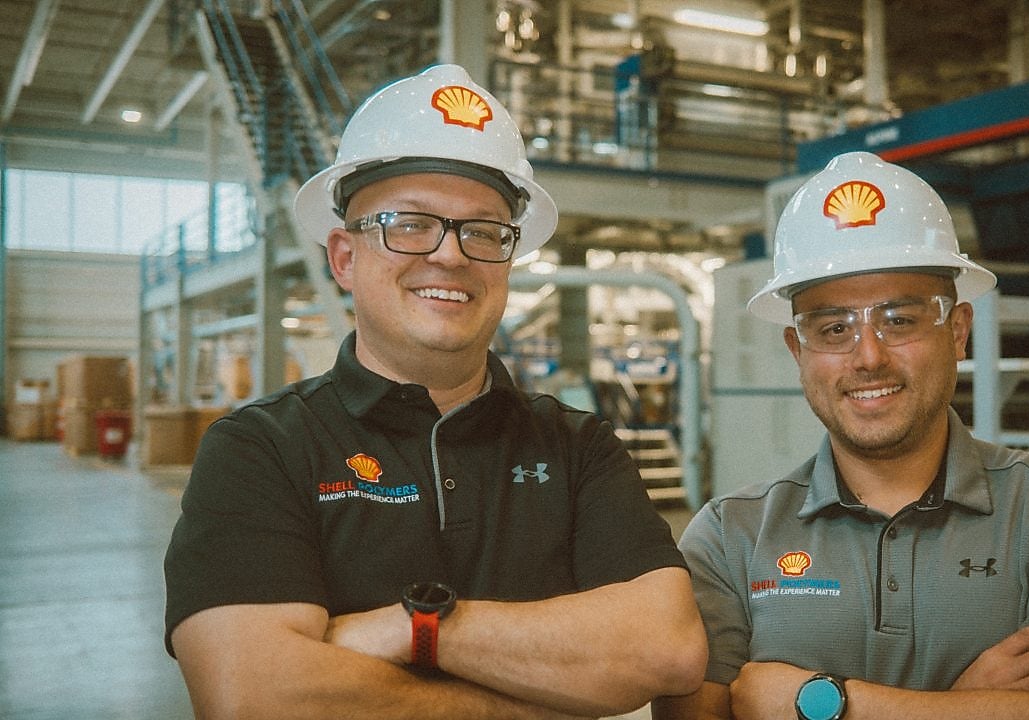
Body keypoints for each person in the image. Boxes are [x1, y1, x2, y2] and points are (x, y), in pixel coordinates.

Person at [164, 64, 706, 720]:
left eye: (483, 232)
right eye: (410, 224)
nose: (451, 255)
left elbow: (668, 648)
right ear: (343, 257)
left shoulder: (577, 445)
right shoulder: (260, 449)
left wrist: (415, 628)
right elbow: (253, 696)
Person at [653, 152, 1029, 720]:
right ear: (799, 353)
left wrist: (826, 704)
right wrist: (970, 706)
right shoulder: (730, 538)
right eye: (833, 329)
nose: (868, 357)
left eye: (899, 321)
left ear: (958, 330)